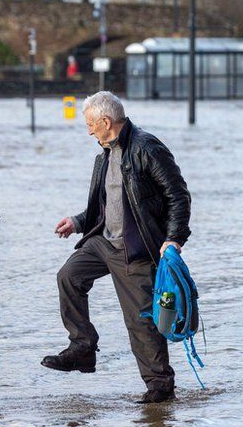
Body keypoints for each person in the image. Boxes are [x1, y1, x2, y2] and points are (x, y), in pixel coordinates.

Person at [43, 91, 192, 403]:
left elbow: (178, 195)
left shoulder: (147, 148)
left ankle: (160, 386)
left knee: (141, 319)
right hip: (102, 241)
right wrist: (78, 222)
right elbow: (107, 205)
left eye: (90, 124)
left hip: (135, 248)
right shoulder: (105, 152)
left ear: (106, 122)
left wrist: (174, 239)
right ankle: (83, 348)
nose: (88, 130)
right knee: (68, 276)